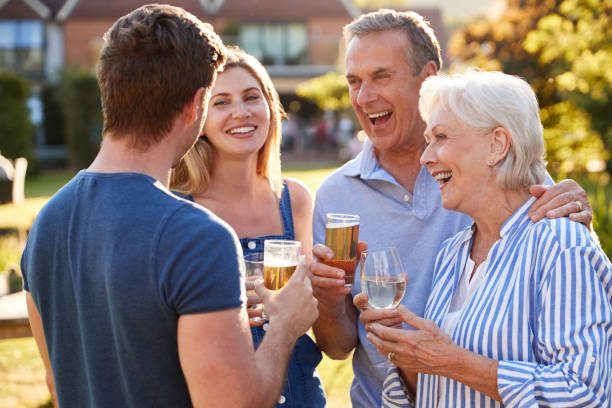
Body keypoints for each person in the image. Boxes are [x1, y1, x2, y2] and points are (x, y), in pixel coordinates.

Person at [21, 5, 317, 407]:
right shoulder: (198, 237)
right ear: (197, 103)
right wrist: (285, 326)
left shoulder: (46, 224)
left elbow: (57, 385)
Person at [309, 9, 594, 408]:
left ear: (427, 77)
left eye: (380, 76)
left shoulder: (537, 216)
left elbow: (586, 386)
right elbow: (352, 353)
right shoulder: (450, 250)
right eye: (354, 81)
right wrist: (338, 306)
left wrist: (577, 215)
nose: (363, 96)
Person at [362, 70, 612, 407]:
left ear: (496, 144)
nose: (426, 157)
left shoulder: (561, 246)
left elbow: (586, 394)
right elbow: (440, 389)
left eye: (441, 137)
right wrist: (409, 356)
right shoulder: (453, 253)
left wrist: (452, 361)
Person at [170, 47, 325, 407]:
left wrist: (328, 292)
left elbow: (315, 322)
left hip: (302, 395)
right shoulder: (179, 210)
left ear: (270, 106)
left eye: (252, 97)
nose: (241, 112)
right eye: (221, 102)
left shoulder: (295, 200)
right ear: (199, 119)